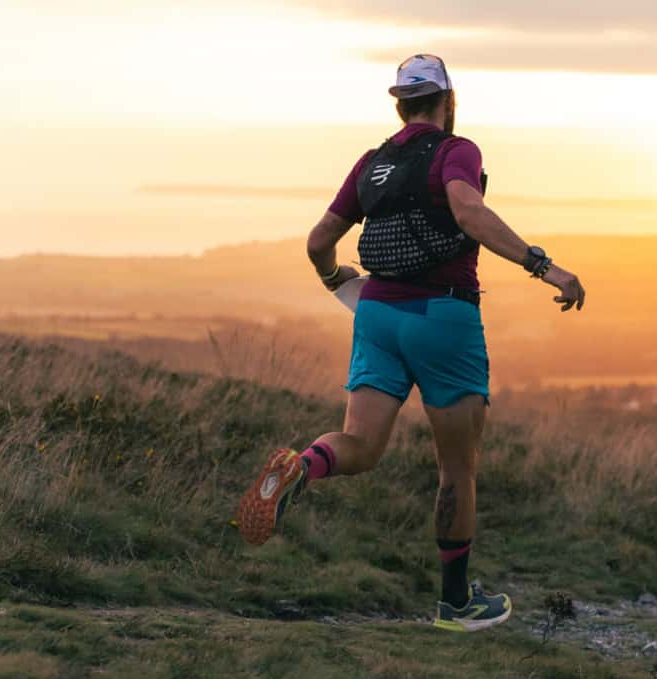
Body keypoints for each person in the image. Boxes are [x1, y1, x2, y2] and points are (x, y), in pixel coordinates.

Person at [237, 54, 585, 633]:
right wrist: (542, 265)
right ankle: (455, 605)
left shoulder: (373, 163)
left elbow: (320, 239)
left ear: (400, 104)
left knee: (360, 444)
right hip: (441, 314)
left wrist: (333, 279)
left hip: (375, 313)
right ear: (447, 101)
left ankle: (301, 467)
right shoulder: (457, 150)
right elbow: (468, 211)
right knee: (456, 467)